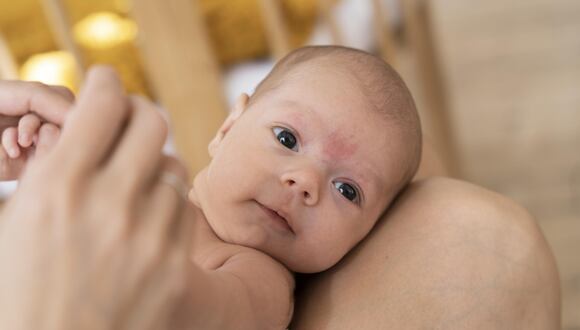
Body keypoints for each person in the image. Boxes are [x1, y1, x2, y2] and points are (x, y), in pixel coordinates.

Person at [0, 65, 560, 329]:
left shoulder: (256, 275)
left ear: (366, 238)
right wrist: (46, 154)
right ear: (226, 129)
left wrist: (147, 274)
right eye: (287, 139)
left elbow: (216, 314)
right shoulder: (146, 179)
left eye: (347, 190)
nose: (304, 182)